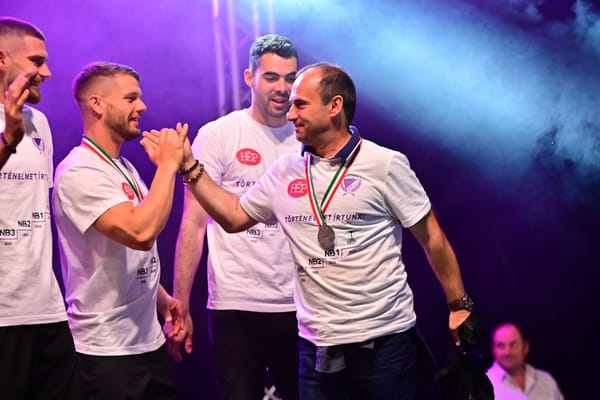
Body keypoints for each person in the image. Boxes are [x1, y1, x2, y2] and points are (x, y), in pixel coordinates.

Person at [145, 62, 474, 400]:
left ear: (334, 106)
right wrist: (188, 166)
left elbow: (432, 237)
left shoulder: (384, 164)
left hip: (382, 341)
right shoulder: (286, 171)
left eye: (301, 105)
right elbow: (234, 216)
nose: (290, 115)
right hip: (316, 347)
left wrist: (459, 304)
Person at [170, 33, 299, 400]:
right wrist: (181, 304)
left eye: (290, 78)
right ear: (249, 77)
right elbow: (193, 224)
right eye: (271, 77)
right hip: (236, 305)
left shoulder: (307, 138)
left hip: (302, 304)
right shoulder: (218, 135)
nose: (282, 88)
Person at [52, 61, 188, 400]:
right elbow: (139, 233)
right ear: (97, 104)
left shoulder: (123, 166)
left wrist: (162, 299)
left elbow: (127, 252)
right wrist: (168, 166)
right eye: (131, 98)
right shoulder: (78, 171)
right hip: (106, 351)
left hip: (148, 341)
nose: (142, 106)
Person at [0, 16, 81, 399]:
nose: (46, 73)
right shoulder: (16, 130)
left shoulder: (39, 123)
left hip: (46, 308)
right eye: (36, 61)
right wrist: (8, 140)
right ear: (2, 58)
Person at [487, 322, 564, 400]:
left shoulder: (546, 381)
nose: (507, 352)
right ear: (493, 350)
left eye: (513, 345)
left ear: (526, 347)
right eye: (501, 346)